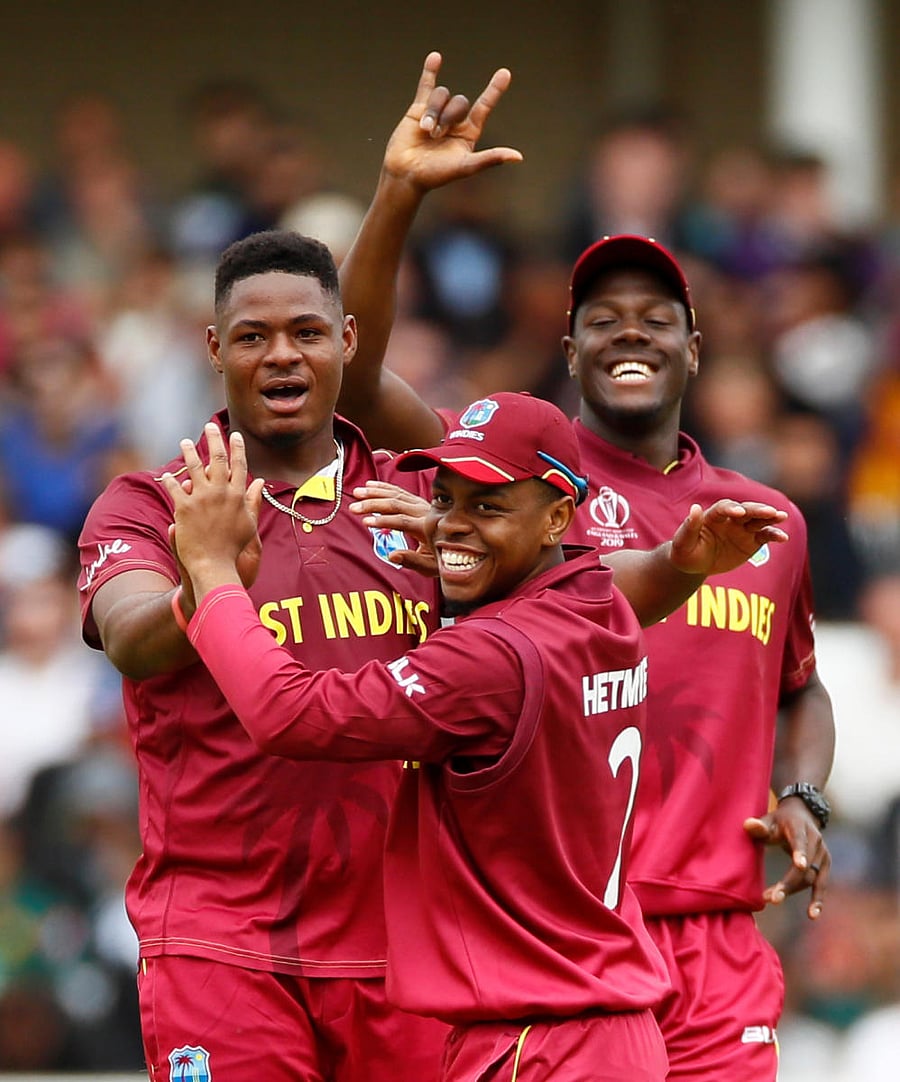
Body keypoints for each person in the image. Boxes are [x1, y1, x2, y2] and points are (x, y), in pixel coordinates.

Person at [74, 55, 678, 1081]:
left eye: (309, 332)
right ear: (213, 346)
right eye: (253, 336)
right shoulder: (158, 500)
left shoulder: (429, 502)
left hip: (405, 946)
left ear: (347, 343)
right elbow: (133, 639)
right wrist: (206, 572)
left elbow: (579, 596)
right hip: (221, 937)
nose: (282, 356)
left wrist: (682, 561)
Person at [334, 64, 837, 1081]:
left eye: (657, 314)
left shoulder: (766, 519)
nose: (631, 330)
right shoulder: (512, 497)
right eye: (602, 317)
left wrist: (805, 793)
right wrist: (399, 197)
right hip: (561, 944)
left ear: (696, 346)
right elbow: (353, 372)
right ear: (568, 348)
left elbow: (802, 683)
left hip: (716, 944)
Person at [160, 392, 789, 1082]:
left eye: (488, 507)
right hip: (599, 1028)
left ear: (557, 517)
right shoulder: (600, 607)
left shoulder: (493, 656)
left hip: (539, 1042)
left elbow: (290, 713)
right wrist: (476, 552)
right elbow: (588, 580)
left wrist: (212, 572)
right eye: (447, 499)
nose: (452, 525)